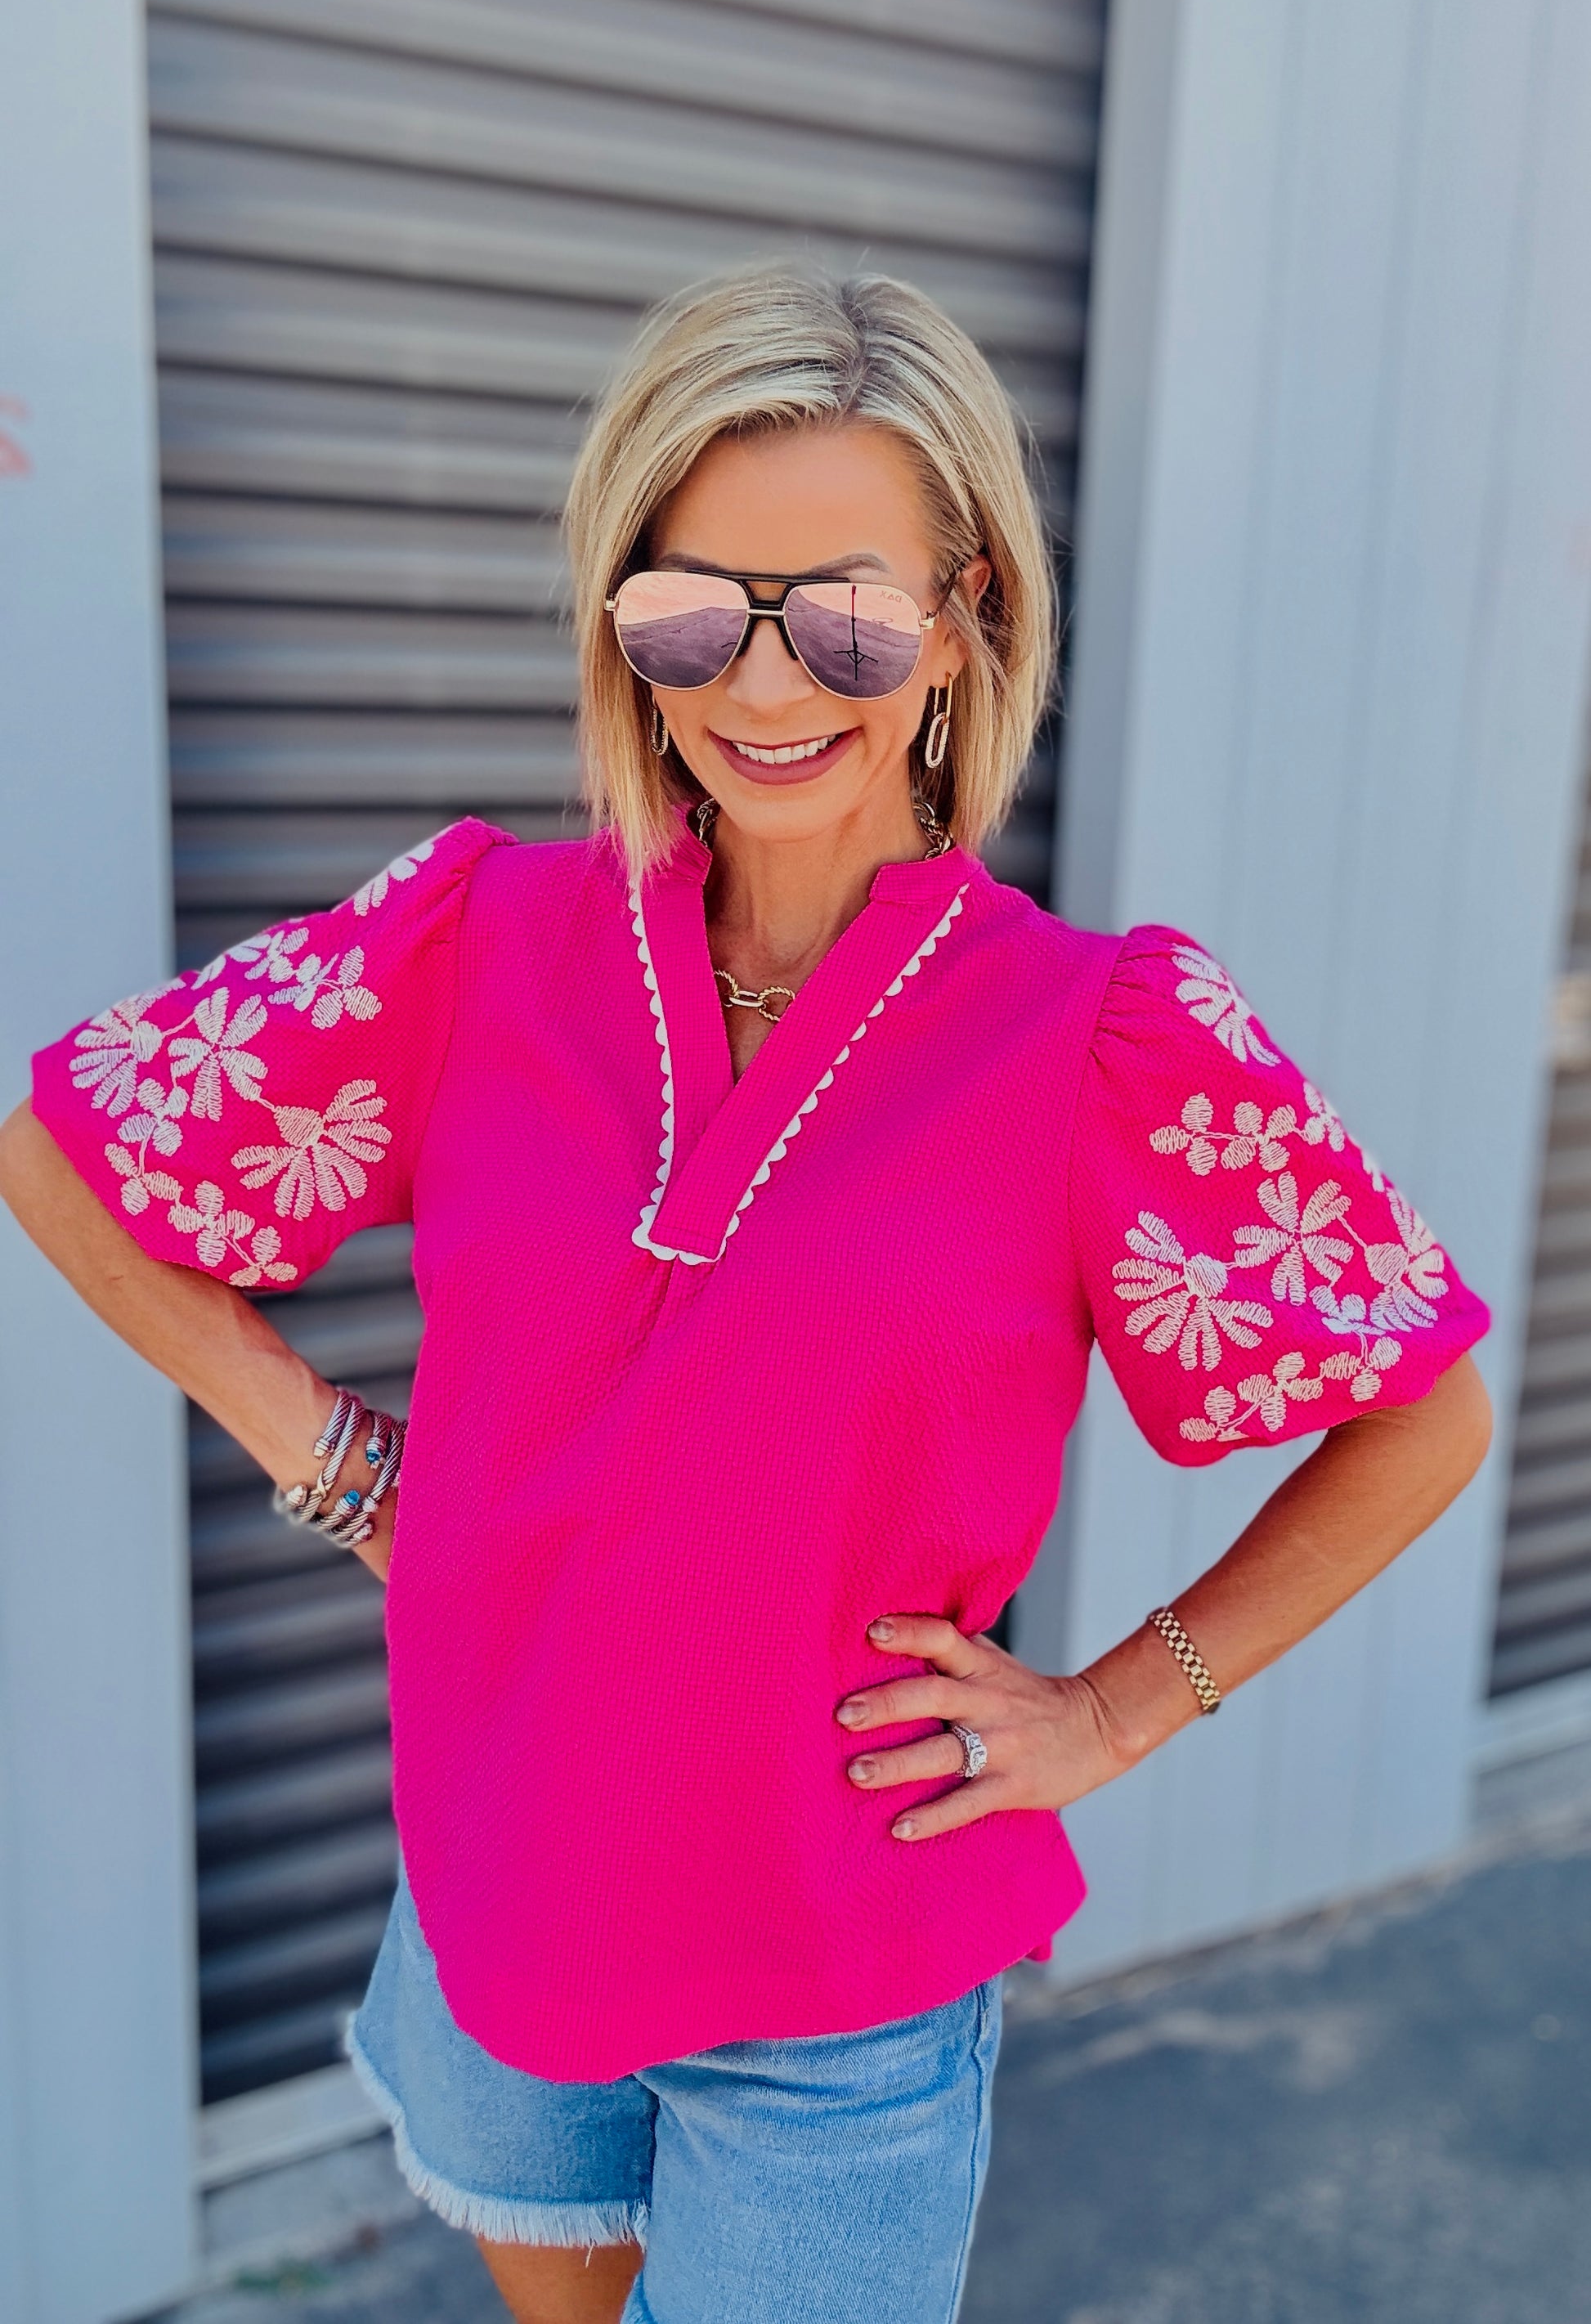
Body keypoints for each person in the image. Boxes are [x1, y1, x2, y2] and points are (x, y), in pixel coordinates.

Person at [0, 265, 1492, 2324]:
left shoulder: (1100, 1035)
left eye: (844, 615)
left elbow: (1424, 1406)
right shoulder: (478, 940)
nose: (764, 682)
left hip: (837, 1988)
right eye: (693, 612)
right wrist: (341, 1464)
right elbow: (67, 1155)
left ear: (964, 612)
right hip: (500, 1891)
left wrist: (1119, 1703)